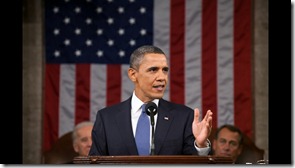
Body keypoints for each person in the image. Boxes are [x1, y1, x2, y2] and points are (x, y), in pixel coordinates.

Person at [89, 45, 213, 156]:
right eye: (153, 70)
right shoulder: (106, 118)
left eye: (165, 70)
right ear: (133, 75)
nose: (162, 77)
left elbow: (193, 164)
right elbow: (94, 163)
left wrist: (200, 146)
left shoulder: (184, 117)